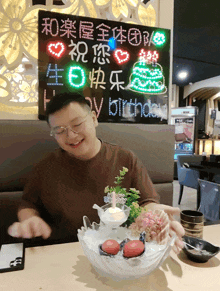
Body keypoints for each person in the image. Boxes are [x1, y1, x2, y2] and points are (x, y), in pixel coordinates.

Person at [8, 92, 184, 253]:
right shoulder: (46, 166)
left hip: (118, 253)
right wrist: (29, 219)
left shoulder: (125, 159)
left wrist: (154, 216)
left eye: (77, 124)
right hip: (63, 253)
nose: (71, 136)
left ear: (93, 119)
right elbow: (27, 204)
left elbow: (147, 202)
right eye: (60, 131)